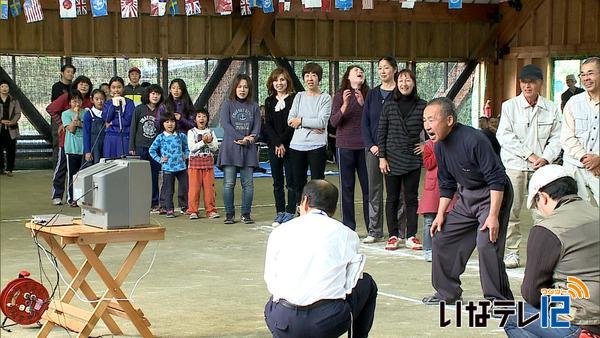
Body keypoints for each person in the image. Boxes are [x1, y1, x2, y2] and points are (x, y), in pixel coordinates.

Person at [422, 97, 514, 305]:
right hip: (466, 196)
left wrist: (492, 216)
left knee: (486, 243)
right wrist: (440, 214)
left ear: (449, 120)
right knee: (441, 237)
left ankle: (498, 300)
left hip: (492, 194)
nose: (427, 125)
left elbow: (496, 179)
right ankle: (447, 293)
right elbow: (446, 184)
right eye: (425, 120)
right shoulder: (439, 146)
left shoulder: (474, 140)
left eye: (432, 119)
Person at [264, 179, 378, 338]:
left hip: (284, 321)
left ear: (305, 201)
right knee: (367, 283)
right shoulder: (347, 234)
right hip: (325, 321)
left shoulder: (280, 231)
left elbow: (271, 279)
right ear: (334, 208)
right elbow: (350, 282)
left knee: (274, 302)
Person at [504, 165, 599, 338]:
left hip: (580, 321)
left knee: (513, 317)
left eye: (536, 204)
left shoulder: (547, 229)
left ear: (543, 197)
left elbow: (532, 293)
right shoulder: (596, 213)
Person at [496, 63, 562, 268]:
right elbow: (504, 136)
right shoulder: (509, 106)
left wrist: (546, 158)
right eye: (523, 82)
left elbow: (558, 137)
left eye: (532, 82)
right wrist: (531, 155)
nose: (527, 86)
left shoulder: (551, 108)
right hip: (515, 164)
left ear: (540, 83)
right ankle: (511, 252)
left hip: (542, 168)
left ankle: (542, 254)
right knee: (512, 209)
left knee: (542, 211)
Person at [378, 69, 425, 250]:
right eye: (401, 80)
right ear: (397, 83)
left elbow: (431, 126)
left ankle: (411, 235)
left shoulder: (422, 105)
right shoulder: (389, 105)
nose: (404, 84)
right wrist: (382, 157)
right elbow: (381, 132)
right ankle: (393, 235)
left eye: (408, 80)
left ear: (413, 83)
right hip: (391, 157)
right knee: (392, 198)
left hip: (412, 158)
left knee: (412, 198)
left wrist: (426, 145)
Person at [361, 56, 405, 244]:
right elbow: (365, 122)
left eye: (386, 67)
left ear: (395, 69)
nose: (383, 71)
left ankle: (401, 231)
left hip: (396, 150)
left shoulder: (402, 92)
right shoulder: (371, 94)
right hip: (374, 150)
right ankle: (375, 230)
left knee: (398, 191)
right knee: (374, 190)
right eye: (380, 68)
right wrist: (371, 145)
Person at [330, 65, 370, 231]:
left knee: (369, 188)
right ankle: (348, 227)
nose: (359, 73)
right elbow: (333, 122)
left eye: (361, 71)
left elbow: (373, 119)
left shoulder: (369, 95)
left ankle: (372, 228)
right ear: (348, 77)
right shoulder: (340, 96)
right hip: (345, 146)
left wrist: (362, 103)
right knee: (347, 188)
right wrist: (345, 104)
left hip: (365, 146)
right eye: (355, 71)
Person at [287, 62, 332, 209]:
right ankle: (300, 211)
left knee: (318, 181)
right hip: (297, 145)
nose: (310, 78)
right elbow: (290, 120)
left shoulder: (325, 98)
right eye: (307, 75)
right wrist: (309, 123)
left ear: (319, 78)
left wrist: (301, 121)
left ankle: (318, 210)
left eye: (313, 75)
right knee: (297, 182)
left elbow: (321, 122)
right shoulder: (299, 96)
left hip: (317, 146)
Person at [218, 74, 261, 225]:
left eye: (246, 87)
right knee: (229, 183)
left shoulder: (254, 106)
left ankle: (246, 214)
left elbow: (257, 126)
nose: (242, 90)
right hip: (230, 148)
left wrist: (252, 137)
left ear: (249, 89)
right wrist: (241, 137)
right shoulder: (227, 104)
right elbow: (225, 124)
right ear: (235, 88)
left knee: (248, 185)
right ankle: (229, 214)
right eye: (240, 86)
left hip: (248, 150)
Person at [47, 75, 93, 205]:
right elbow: (50, 109)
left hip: (83, 145)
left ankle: (78, 197)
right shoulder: (66, 98)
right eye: (81, 84)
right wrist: (61, 123)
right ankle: (57, 195)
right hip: (66, 143)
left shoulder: (89, 103)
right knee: (62, 168)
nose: (84, 86)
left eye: (86, 84)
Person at [561, 57, 600, 206]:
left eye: (590, 73)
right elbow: (566, 137)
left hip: (599, 167)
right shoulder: (573, 102)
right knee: (575, 212)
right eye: (582, 74)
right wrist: (586, 158)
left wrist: (598, 159)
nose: (586, 78)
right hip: (574, 166)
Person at [263, 68, 296, 226]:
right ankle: (280, 211)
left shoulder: (294, 99)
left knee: (291, 181)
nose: (279, 83)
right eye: (276, 80)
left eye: (282, 80)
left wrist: (282, 142)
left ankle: (290, 211)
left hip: (291, 145)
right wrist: (277, 143)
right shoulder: (269, 101)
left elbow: (292, 125)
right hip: (274, 146)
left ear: (287, 81)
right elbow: (268, 124)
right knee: (277, 181)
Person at [417, 139, 457, 262]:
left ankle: (446, 248)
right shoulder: (429, 145)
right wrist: (438, 150)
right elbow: (428, 164)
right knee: (429, 220)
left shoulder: (452, 143)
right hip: (432, 187)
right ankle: (429, 249)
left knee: (448, 219)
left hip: (448, 185)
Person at [129, 84, 163, 210]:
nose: (155, 96)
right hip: (140, 146)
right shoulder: (139, 109)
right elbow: (133, 128)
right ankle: (139, 201)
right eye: (153, 93)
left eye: (158, 94)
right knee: (140, 176)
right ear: (148, 95)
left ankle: (154, 202)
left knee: (154, 175)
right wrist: (131, 146)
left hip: (155, 148)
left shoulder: (162, 109)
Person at [149, 112, 189, 218]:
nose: (170, 124)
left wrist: (186, 155)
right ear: (162, 124)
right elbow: (152, 150)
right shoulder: (160, 137)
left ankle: (186, 207)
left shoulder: (181, 136)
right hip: (168, 168)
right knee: (168, 190)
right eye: (167, 122)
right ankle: (169, 209)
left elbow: (188, 147)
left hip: (181, 167)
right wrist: (160, 159)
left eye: (172, 121)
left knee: (186, 187)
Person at [187, 109, 219, 220]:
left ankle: (211, 210)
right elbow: (192, 148)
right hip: (194, 165)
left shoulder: (211, 132)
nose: (201, 119)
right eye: (199, 116)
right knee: (194, 189)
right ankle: (193, 210)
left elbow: (215, 148)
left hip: (208, 165)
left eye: (204, 116)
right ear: (195, 119)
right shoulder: (191, 132)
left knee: (209, 189)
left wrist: (209, 142)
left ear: (207, 119)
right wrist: (203, 142)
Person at [62, 90, 85, 207]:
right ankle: (72, 198)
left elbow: (86, 126)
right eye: (74, 100)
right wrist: (76, 116)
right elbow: (71, 129)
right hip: (71, 149)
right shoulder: (66, 114)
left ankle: (82, 197)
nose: (76, 103)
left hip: (84, 149)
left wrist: (78, 123)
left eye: (79, 100)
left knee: (83, 175)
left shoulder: (86, 112)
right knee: (72, 175)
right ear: (70, 102)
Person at [102, 76, 135, 159]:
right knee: (110, 162)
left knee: (124, 163)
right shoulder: (108, 103)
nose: (116, 90)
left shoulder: (129, 102)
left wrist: (113, 122)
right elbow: (107, 118)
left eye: (119, 87)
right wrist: (114, 103)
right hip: (111, 136)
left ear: (123, 88)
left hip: (125, 136)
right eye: (113, 87)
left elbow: (127, 120)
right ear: (110, 89)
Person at [0, 80, 21, 177]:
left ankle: (9, 169)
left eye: (6, 86)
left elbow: (18, 113)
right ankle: (1, 169)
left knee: (11, 149)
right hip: (1, 126)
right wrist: (1, 121)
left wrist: (12, 122)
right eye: (2, 86)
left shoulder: (14, 100)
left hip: (11, 128)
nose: (4, 88)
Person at [82, 89, 106, 166]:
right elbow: (86, 134)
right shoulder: (89, 114)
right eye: (97, 99)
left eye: (102, 99)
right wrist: (87, 151)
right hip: (93, 147)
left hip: (105, 145)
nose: (100, 101)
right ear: (92, 100)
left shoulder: (107, 113)